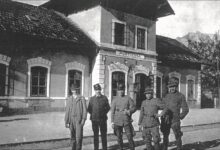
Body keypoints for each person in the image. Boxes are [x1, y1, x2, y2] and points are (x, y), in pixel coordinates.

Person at [161, 77, 189, 150]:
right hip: (166, 120)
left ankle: (179, 148)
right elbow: (162, 107)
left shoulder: (180, 96)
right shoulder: (166, 96)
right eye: (170, 87)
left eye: (173, 86)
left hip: (175, 120)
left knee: (177, 136)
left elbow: (185, 109)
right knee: (165, 136)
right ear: (168, 87)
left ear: (176, 87)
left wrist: (180, 117)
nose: (172, 88)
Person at [111, 83, 136, 150]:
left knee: (129, 135)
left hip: (126, 120)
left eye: (122, 90)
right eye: (119, 90)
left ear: (124, 90)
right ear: (117, 91)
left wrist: (129, 111)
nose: (121, 91)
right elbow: (112, 111)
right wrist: (112, 122)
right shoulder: (114, 99)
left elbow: (134, 108)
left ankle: (132, 147)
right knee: (119, 136)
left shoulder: (128, 98)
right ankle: (120, 147)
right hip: (117, 120)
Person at [88, 83, 110, 150]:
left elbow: (108, 107)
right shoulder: (92, 99)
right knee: (95, 136)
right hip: (94, 120)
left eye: (99, 89)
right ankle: (96, 148)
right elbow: (89, 109)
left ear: (100, 90)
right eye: (96, 90)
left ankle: (104, 148)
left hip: (103, 119)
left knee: (104, 135)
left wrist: (103, 113)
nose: (98, 91)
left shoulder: (104, 98)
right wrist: (94, 114)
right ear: (94, 91)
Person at [65, 84, 87, 150]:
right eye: (73, 90)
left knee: (79, 137)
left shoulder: (81, 98)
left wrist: (83, 119)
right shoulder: (69, 99)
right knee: (72, 137)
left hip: (78, 120)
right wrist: (66, 121)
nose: (74, 91)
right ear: (71, 91)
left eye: (75, 90)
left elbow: (85, 110)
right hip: (71, 120)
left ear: (77, 90)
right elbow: (67, 111)